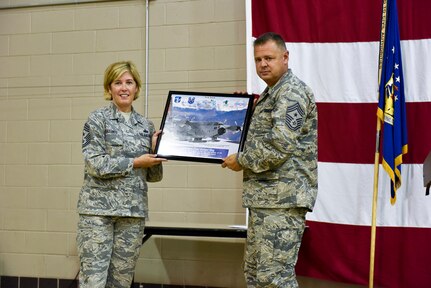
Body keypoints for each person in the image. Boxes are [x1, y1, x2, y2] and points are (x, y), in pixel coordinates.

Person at [222, 32, 318, 287]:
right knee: (256, 275)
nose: (262, 64)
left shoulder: (290, 93)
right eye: (258, 59)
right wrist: (243, 111)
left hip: (282, 201)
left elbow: (279, 146)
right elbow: (264, 135)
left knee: (274, 279)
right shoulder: (271, 94)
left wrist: (241, 160)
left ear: (285, 57)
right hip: (266, 199)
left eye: (269, 58)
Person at [76, 61, 166, 288]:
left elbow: (154, 176)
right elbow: (95, 164)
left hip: (132, 213)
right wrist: (135, 162)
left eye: (129, 82)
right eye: (118, 83)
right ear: (109, 88)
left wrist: (156, 149)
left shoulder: (146, 125)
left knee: (121, 282)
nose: (124, 88)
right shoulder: (97, 119)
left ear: (137, 87)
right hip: (98, 213)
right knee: (93, 281)